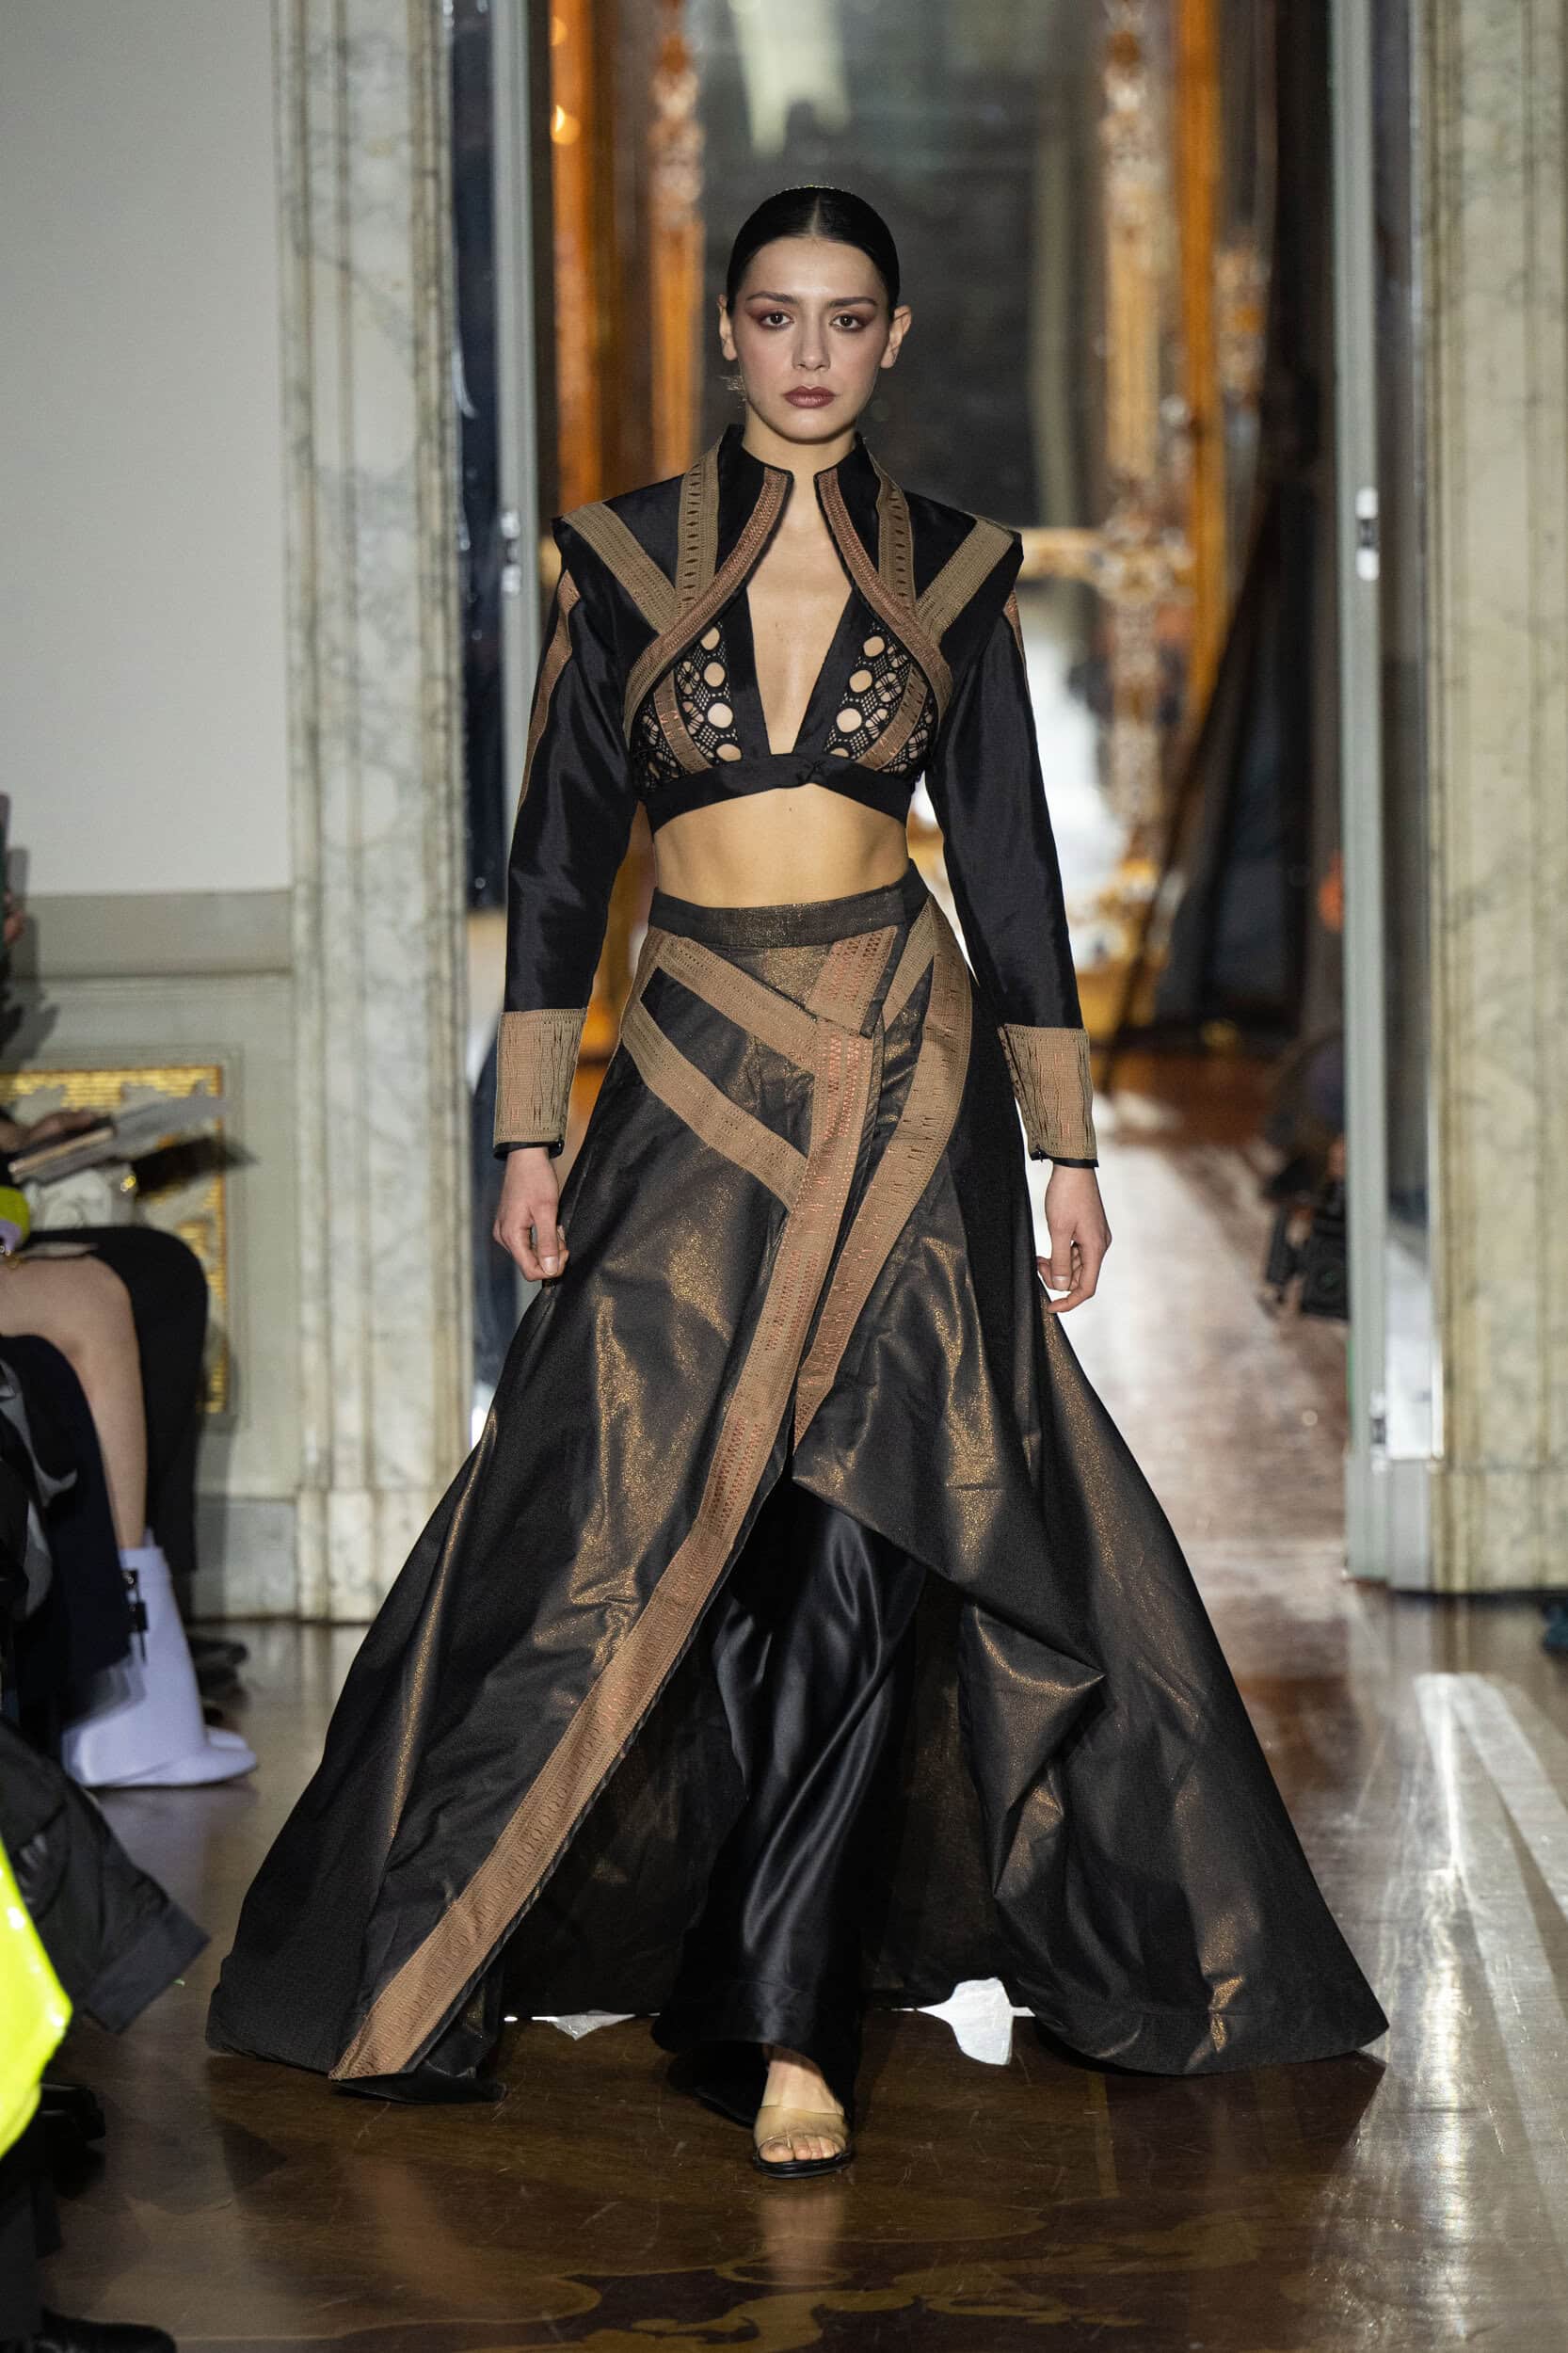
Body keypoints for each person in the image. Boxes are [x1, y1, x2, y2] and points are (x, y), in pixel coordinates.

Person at [209, 185, 1385, 2178]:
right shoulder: (618, 561)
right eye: (777, 315)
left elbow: (1004, 866)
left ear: (893, 340)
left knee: (872, 1530)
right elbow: (558, 865)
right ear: (728, 333)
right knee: (635, 1511)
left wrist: (1066, 1149)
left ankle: (789, 2026)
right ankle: (647, 1954)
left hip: (909, 1075)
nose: (812, 351)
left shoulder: (952, 570)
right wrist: (524, 1128)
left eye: (847, 318)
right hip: (690, 1082)